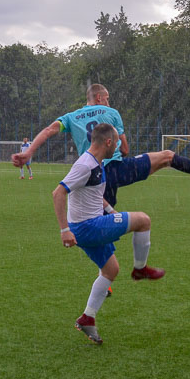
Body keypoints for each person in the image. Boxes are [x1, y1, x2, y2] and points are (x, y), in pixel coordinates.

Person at [12, 84, 190, 208]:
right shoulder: (111, 113)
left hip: (92, 175)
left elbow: (49, 130)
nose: (109, 102)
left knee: (104, 225)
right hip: (116, 169)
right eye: (107, 98)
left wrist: (29, 152)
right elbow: (125, 149)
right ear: (99, 97)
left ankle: (105, 279)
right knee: (167, 157)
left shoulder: (71, 116)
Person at [52, 123, 165, 345]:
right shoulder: (85, 165)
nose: (120, 146)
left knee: (111, 269)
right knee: (143, 220)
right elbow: (58, 193)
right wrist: (64, 230)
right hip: (88, 227)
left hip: (88, 226)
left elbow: (95, 195)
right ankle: (140, 269)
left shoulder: (97, 163)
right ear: (109, 142)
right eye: (118, 142)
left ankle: (87, 317)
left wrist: (112, 212)